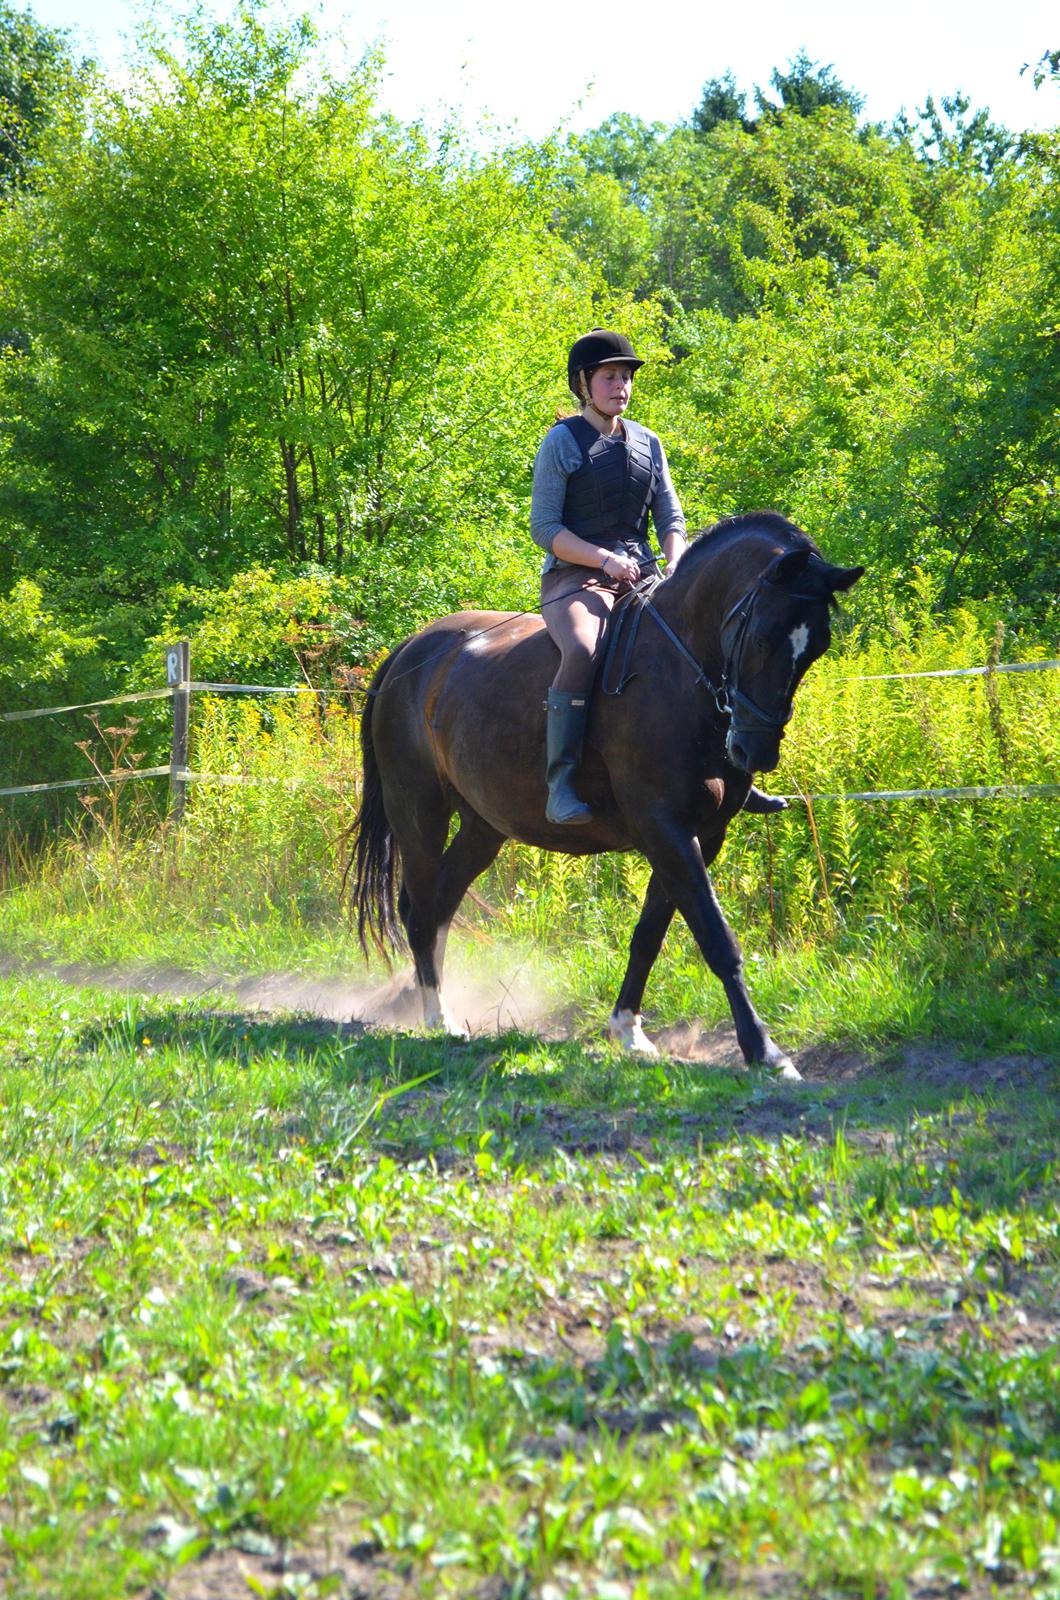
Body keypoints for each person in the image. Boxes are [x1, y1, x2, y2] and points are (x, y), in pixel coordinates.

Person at [530, 328, 786, 824]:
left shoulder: (649, 442)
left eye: (625, 378)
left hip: (644, 576)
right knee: (584, 650)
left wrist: (678, 564)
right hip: (575, 581)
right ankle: (560, 782)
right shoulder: (562, 443)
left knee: (715, 642)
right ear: (584, 383)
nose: (620, 386)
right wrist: (603, 560)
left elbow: (670, 517)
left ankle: (734, 771)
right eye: (609, 377)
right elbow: (546, 528)